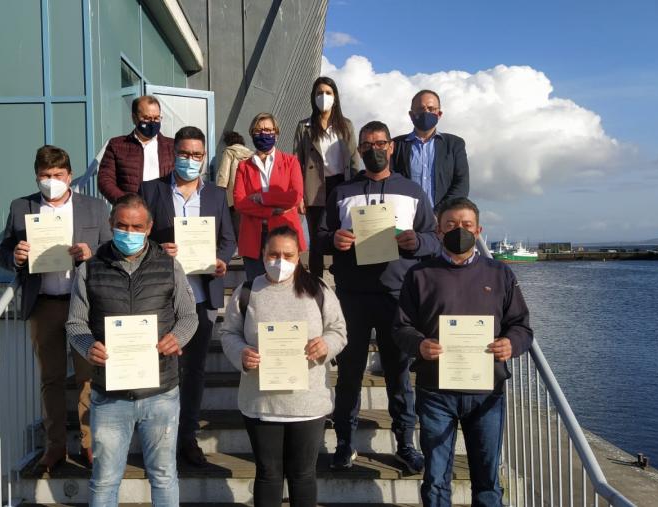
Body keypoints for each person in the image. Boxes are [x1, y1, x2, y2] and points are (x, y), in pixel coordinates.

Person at [316, 120, 441, 472]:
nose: (375, 149)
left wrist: (415, 242)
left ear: (391, 147)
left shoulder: (413, 191)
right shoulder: (341, 192)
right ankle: (344, 442)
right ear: (359, 150)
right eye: (367, 144)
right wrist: (333, 241)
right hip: (352, 295)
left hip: (397, 296)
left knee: (399, 375)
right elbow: (322, 234)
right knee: (350, 374)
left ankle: (405, 443)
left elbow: (432, 238)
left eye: (381, 143)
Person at [394, 197, 533, 506]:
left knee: (487, 481)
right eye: (451, 225)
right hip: (435, 391)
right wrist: (419, 344)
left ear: (479, 229)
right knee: (436, 480)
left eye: (467, 225)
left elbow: (521, 326)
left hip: (487, 390)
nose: (460, 230)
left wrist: (512, 344)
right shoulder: (419, 274)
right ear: (438, 231)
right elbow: (400, 328)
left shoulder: (500, 274)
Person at [66, 193, 198, 507]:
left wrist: (177, 337)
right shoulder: (91, 268)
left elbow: (189, 316)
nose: (129, 232)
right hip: (109, 395)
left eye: (136, 226)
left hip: (161, 392)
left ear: (149, 227)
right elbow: (75, 324)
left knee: (164, 476)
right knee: (105, 480)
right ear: (111, 224)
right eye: (122, 225)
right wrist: (88, 347)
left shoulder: (169, 266)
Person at [0, 145, 111, 471]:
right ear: (37, 176)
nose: (51, 181)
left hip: (83, 306)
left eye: (58, 175)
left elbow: (110, 251)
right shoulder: (22, 207)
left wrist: (92, 253)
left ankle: (90, 446)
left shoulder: (94, 208)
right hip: (44, 302)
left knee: (88, 377)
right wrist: (14, 256)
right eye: (45, 176)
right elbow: (3, 251)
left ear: (69, 176)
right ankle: (55, 446)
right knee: (51, 379)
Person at [219, 226, 347, 507]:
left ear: (298, 256)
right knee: (268, 474)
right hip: (261, 403)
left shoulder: (318, 289)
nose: (279, 260)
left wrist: (326, 345)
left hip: (308, 403)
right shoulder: (248, 290)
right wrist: (241, 353)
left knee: (303, 475)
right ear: (263, 254)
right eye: (273, 254)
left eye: (287, 254)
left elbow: (338, 330)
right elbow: (228, 333)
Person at [139, 126, 237, 466]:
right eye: (184, 153)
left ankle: (187, 436)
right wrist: (155, 250)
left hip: (199, 296)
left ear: (204, 156)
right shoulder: (150, 191)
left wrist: (222, 260)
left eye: (197, 154)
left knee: (194, 370)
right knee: (161, 368)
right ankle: (158, 436)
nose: (190, 160)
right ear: (173, 154)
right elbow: (137, 237)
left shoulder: (216, 195)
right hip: (160, 298)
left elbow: (228, 239)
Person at [293, 76, 361, 278]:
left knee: (344, 234)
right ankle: (316, 284)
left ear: (335, 97)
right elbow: (297, 161)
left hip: (341, 184)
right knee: (316, 239)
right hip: (314, 187)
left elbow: (353, 159)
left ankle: (344, 278)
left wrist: (356, 187)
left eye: (328, 93)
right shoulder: (304, 126)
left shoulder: (345, 125)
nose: (324, 97)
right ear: (313, 98)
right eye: (319, 93)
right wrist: (299, 195)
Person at [233, 112, 305, 280]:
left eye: (268, 130)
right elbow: (240, 202)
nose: (263, 134)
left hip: (285, 235)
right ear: (251, 134)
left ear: (276, 134)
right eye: (258, 131)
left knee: (289, 290)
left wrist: (262, 198)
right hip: (253, 237)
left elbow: (295, 196)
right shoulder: (243, 167)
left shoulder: (291, 162)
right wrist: (271, 211)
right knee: (257, 290)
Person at [391, 89, 469, 212]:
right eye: (420, 109)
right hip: (406, 220)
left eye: (431, 109)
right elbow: (391, 182)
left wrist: (438, 214)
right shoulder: (395, 145)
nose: (426, 112)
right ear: (411, 115)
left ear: (439, 114)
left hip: (442, 222)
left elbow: (461, 185)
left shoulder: (455, 144)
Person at [98, 95, 175, 201]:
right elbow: (105, 179)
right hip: (131, 212)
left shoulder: (172, 146)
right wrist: (125, 202)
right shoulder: (117, 145)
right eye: (147, 118)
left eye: (156, 118)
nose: (152, 122)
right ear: (134, 118)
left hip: (164, 210)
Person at [214, 131, 254, 235]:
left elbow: (224, 173)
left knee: (233, 226)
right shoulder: (252, 154)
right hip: (249, 196)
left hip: (232, 196)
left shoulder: (229, 151)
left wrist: (218, 194)